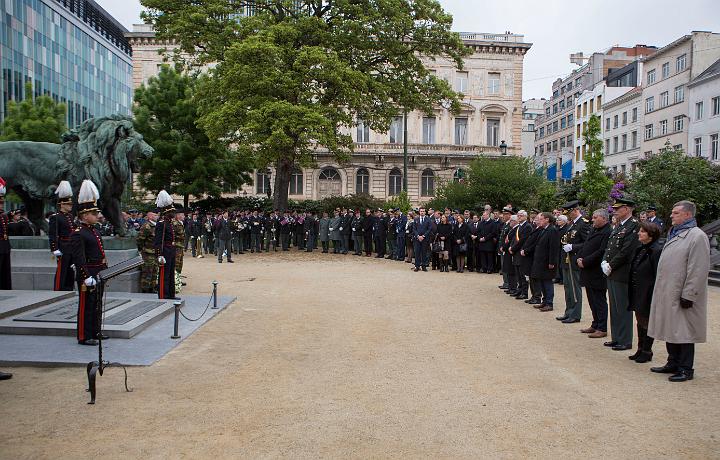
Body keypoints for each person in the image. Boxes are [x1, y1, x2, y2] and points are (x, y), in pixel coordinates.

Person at [649, 201, 710, 382]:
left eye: (676, 213)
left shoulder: (697, 236)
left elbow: (698, 268)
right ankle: (672, 362)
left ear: (688, 215)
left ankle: (685, 368)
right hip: (669, 290)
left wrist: (689, 294)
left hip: (682, 292)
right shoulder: (676, 233)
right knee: (671, 328)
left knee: (684, 331)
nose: (671, 216)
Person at [70, 180, 107, 345]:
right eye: (93, 213)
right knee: (87, 305)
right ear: (84, 215)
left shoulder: (94, 230)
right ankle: (84, 336)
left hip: (98, 270)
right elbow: (79, 257)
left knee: (97, 303)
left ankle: (96, 331)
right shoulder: (79, 233)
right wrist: (85, 275)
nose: (97, 216)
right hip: (89, 272)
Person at [602, 197, 640, 351]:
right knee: (614, 306)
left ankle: (625, 339)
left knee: (622, 307)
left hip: (622, 271)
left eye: (618, 209)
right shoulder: (619, 226)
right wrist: (604, 262)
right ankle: (616, 337)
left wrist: (611, 264)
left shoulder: (634, 226)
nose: (615, 211)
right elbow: (610, 247)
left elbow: (627, 250)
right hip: (612, 271)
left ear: (627, 209)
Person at [627, 221, 663, 363]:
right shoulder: (641, 248)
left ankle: (647, 351)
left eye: (642, 231)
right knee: (639, 319)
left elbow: (657, 274)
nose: (639, 233)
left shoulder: (656, 250)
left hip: (648, 291)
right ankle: (640, 348)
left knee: (646, 321)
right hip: (637, 289)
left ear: (651, 235)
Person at [576, 209, 612, 339]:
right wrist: (579, 258)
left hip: (597, 271)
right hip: (587, 270)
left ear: (604, 218)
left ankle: (602, 328)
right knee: (591, 299)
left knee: (599, 300)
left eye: (595, 217)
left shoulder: (607, 231)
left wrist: (585, 261)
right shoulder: (594, 229)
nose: (593, 219)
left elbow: (601, 251)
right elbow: (585, 245)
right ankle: (595, 323)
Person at [557, 200, 589, 324]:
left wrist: (573, 247)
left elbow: (586, 243)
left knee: (574, 288)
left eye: (570, 213)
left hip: (574, 259)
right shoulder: (572, 224)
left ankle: (575, 314)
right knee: (567, 287)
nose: (568, 216)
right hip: (566, 259)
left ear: (576, 211)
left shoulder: (583, 224)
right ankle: (568, 311)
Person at [48, 181, 76, 291]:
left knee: (70, 270)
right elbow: (53, 234)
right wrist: (54, 248)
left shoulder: (70, 216)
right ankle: (59, 288)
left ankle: (68, 288)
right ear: (62, 205)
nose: (70, 206)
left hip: (71, 247)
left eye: (71, 204)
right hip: (63, 246)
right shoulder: (56, 217)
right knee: (62, 270)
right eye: (68, 204)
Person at [529, 212, 560, 311]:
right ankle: (544, 301)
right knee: (542, 281)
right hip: (540, 261)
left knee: (547, 283)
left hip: (547, 262)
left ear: (547, 219)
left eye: (541, 219)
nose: (539, 221)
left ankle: (549, 303)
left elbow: (553, 247)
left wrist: (552, 262)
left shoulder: (552, 230)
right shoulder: (543, 230)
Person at [154, 190, 178, 300]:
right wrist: (160, 255)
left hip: (171, 250)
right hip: (165, 251)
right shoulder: (162, 224)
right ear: (167, 212)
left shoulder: (169, 223)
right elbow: (159, 241)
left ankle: (171, 294)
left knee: (171, 273)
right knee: (165, 274)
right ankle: (164, 295)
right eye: (172, 211)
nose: (174, 213)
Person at [509, 210, 532, 299]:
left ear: (526, 217)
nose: (519, 217)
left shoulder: (527, 227)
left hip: (521, 252)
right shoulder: (519, 226)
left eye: (521, 215)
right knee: (518, 273)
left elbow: (522, 240)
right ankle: (519, 290)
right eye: (518, 215)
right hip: (516, 253)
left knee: (522, 274)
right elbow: (514, 239)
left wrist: (513, 248)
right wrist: (511, 247)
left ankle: (524, 292)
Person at [136, 210, 159, 294]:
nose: (157, 216)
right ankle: (145, 289)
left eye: (157, 215)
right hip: (148, 253)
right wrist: (142, 249)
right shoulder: (146, 226)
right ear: (150, 216)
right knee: (147, 272)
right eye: (155, 214)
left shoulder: (156, 225)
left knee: (154, 271)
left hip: (155, 252)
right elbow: (140, 240)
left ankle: (152, 288)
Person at [0, 177, 12, 290]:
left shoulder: (4, 215)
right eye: (0, 203)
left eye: (2, 203)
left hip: (4, 246)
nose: (2, 205)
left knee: (5, 272)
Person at [412, 207, 432, 272]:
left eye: (423, 211)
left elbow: (429, 229)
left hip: (425, 239)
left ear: (425, 212)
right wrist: (418, 236)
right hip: (417, 239)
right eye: (421, 211)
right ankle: (417, 266)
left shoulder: (428, 219)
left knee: (424, 253)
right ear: (419, 212)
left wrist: (423, 236)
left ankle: (424, 266)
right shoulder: (416, 219)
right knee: (417, 253)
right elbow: (414, 229)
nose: (422, 212)